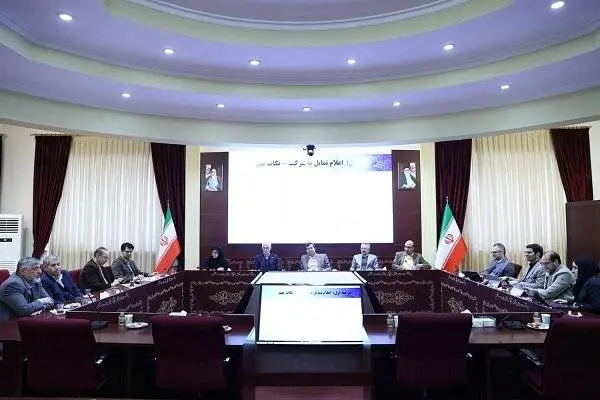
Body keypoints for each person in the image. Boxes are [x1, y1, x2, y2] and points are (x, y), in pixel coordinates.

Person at [0, 257, 54, 323]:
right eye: (34, 268)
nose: (40, 271)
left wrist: (41, 308)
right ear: (22, 271)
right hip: (10, 323)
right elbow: (24, 310)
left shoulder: (35, 281)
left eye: (40, 268)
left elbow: (50, 301)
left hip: (30, 320)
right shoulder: (12, 284)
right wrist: (42, 301)